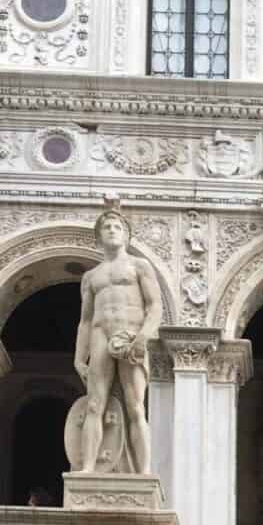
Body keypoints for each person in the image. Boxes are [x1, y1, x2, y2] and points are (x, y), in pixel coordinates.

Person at [74, 204, 163, 476]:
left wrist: (143, 336)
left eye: (117, 227)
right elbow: (86, 320)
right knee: (94, 404)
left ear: (126, 235)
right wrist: (79, 357)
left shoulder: (139, 265)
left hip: (130, 334)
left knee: (135, 406)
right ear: (99, 236)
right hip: (101, 334)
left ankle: (144, 472)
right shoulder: (91, 276)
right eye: (107, 227)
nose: (112, 230)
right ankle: (88, 468)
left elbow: (155, 305)